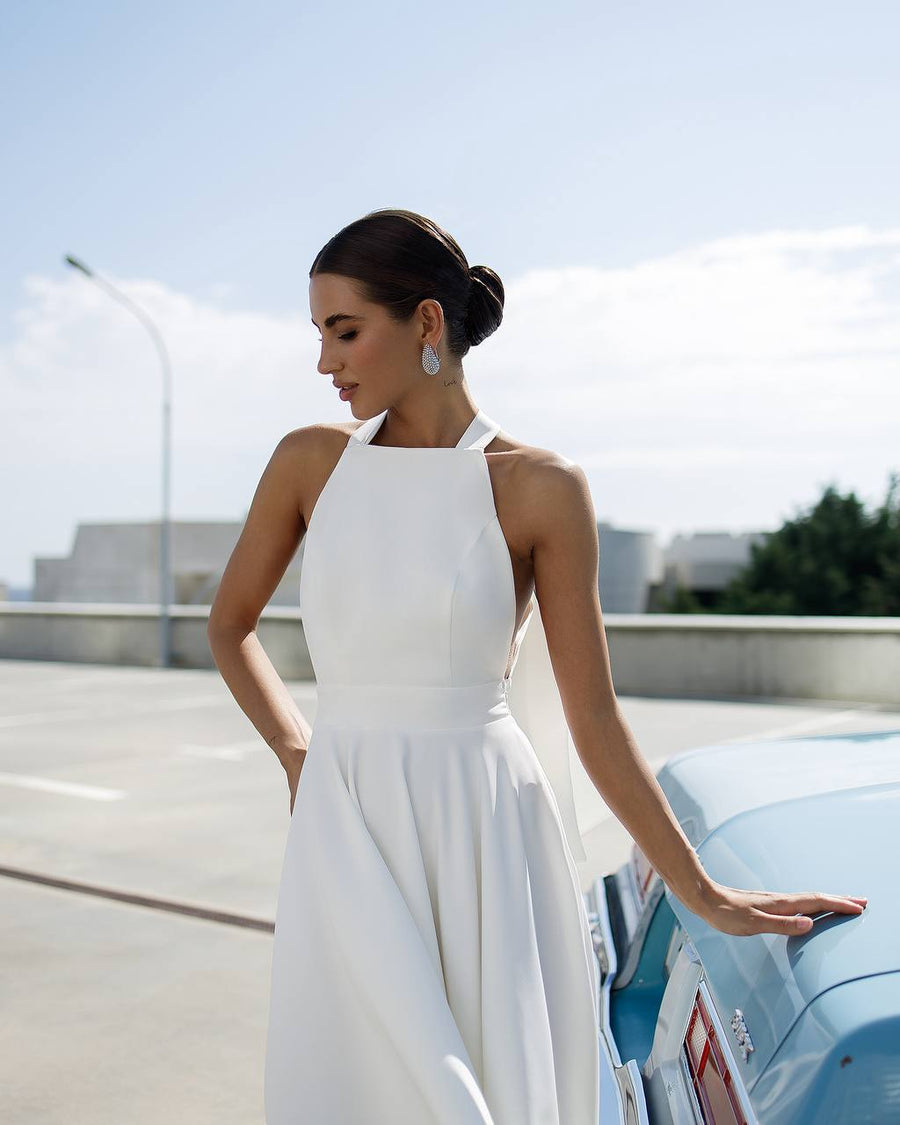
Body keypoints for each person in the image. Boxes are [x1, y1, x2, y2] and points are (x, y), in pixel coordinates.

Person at [206, 208, 868, 1124]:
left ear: (428, 323)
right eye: (320, 333)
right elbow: (229, 622)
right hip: (345, 818)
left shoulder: (540, 486)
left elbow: (594, 717)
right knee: (364, 1086)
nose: (326, 362)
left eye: (344, 330)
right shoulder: (308, 464)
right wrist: (295, 751)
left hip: (486, 825)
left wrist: (703, 894)